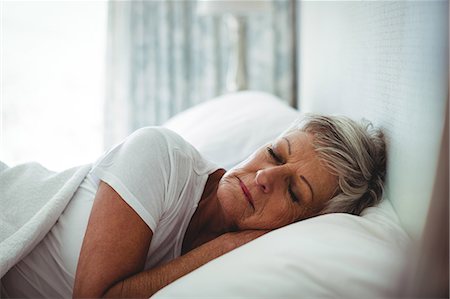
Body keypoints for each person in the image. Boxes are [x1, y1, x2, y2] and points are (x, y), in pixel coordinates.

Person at [1, 114, 386, 298]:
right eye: (274, 153)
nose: (266, 177)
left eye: (295, 192)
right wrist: (223, 247)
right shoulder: (161, 156)